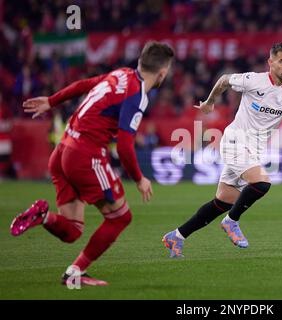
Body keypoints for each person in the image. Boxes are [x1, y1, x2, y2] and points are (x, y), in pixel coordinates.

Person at [10, 42, 174, 285]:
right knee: (120, 218)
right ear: (162, 72)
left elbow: (84, 85)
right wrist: (139, 179)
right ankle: (74, 272)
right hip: (85, 156)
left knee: (73, 230)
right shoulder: (137, 96)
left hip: (63, 149)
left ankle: (43, 216)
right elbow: (124, 146)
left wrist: (53, 101)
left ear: (140, 62)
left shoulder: (120, 73)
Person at [162, 43, 282, 258]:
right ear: (270, 62)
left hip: (254, 150)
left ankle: (176, 236)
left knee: (222, 202)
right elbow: (225, 79)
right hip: (234, 141)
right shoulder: (253, 80)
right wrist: (209, 103)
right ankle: (231, 222)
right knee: (262, 182)